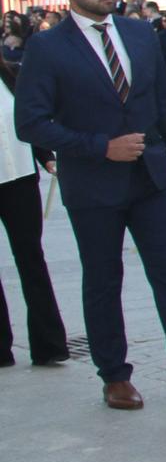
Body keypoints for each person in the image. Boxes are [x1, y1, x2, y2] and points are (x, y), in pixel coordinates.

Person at [15, 0, 166, 410]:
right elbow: (30, 123)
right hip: (93, 185)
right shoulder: (48, 48)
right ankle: (114, 375)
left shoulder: (141, 34)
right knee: (103, 279)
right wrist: (99, 146)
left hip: (150, 179)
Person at [0, 57, 66, 367]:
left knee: (31, 259)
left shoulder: (11, 74)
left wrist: (45, 156)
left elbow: (27, 120)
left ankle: (48, 345)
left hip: (21, 179)